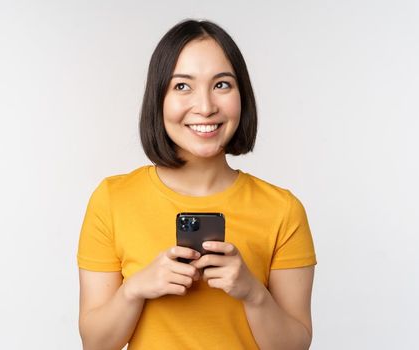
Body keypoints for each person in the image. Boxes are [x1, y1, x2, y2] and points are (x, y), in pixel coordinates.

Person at [77, 19, 316, 350]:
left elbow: (296, 346)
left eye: (222, 85)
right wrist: (135, 289)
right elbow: (96, 344)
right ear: (157, 98)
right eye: (182, 86)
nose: (205, 107)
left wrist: (252, 292)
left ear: (242, 95)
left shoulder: (283, 210)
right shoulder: (112, 200)